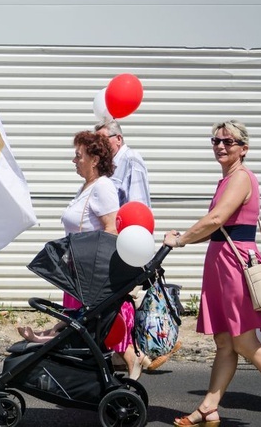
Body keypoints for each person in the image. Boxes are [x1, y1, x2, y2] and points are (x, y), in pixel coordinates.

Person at [18, 131, 145, 379]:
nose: (73, 160)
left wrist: (100, 271)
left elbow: (111, 229)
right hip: (77, 271)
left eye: (78, 156)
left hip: (90, 274)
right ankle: (55, 342)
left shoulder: (103, 187)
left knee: (90, 322)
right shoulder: (87, 187)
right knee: (77, 321)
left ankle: (132, 359)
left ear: (94, 159)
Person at [163, 120, 261, 427]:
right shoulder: (226, 180)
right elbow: (217, 227)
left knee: (245, 342)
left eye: (228, 142)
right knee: (224, 342)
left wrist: (180, 240)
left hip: (234, 266)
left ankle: (209, 405)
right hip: (221, 264)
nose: (220, 146)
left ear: (243, 149)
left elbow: (216, 217)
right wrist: (187, 234)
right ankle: (209, 406)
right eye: (216, 141)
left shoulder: (241, 178)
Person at [96, 119, 178, 371]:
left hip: (129, 243)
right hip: (115, 243)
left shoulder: (131, 161)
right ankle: (128, 353)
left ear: (117, 139)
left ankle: (141, 351)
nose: (98, 145)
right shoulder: (108, 166)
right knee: (117, 301)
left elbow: (139, 205)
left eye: (102, 139)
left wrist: (134, 247)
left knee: (128, 300)